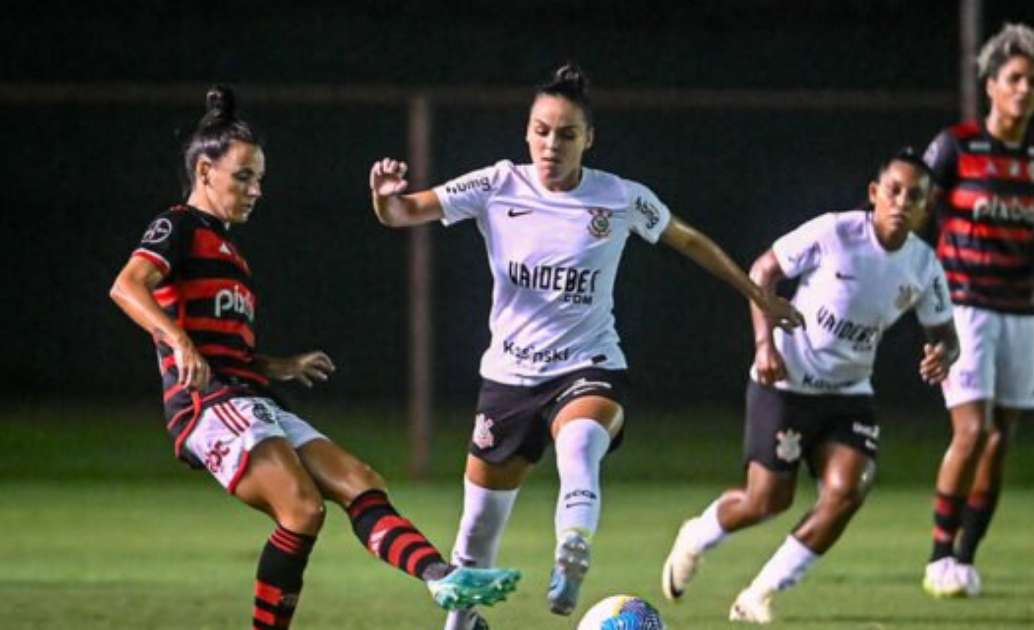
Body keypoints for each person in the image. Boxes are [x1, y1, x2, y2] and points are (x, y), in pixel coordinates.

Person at [368, 63, 802, 629]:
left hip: (588, 366)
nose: (552, 144)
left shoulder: (619, 198)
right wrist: (384, 198)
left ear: (588, 140)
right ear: (527, 132)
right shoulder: (496, 184)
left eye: (567, 134)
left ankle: (572, 546)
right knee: (475, 536)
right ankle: (463, 624)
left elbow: (688, 239)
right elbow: (403, 213)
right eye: (542, 130)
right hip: (508, 379)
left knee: (579, 447)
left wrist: (757, 294)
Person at [109, 86, 520, 630]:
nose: (256, 190)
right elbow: (127, 286)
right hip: (205, 405)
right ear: (205, 171)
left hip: (248, 394)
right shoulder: (178, 226)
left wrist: (278, 367)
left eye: (259, 179)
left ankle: (441, 577)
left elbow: (225, 351)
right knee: (302, 510)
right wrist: (178, 342)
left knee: (360, 479)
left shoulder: (231, 253)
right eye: (243, 177)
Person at [660, 150, 959, 624]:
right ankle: (695, 535)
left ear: (927, 206)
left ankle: (758, 594)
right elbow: (763, 271)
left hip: (849, 394)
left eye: (915, 195)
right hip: (785, 382)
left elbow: (946, 335)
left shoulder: (924, 266)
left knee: (849, 489)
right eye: (895, 190)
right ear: (874, 194)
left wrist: (943, 354)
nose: (903, 201)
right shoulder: (834, 233)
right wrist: (765, 345)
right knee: (767, 501)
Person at [919, 23, 1034, 598]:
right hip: (965, 307)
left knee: (1000, 440)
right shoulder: (955, 147)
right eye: (1014, 78)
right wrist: (923, 305)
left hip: (1021, 308)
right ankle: (938, 556)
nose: (1025, 90)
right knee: (972, 429)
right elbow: (917, 219)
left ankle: (965, 557)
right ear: (990, 84)